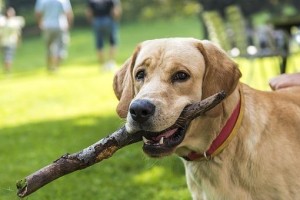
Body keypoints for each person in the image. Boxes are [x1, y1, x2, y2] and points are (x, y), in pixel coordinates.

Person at [34, 0, 73, 72]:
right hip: (60, 26)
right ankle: (56, 67)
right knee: (60, 48)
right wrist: (69, 24)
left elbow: (37, 12)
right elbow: (68, 13)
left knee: (48, 48)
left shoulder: (42, 1)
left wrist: (40, 23)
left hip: (47, 26)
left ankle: (49, 66)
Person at [86, 0, 122, 71]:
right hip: (109, 20)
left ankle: (102, 65)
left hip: (97, 21)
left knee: (99, 44)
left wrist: (92, 21)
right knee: (112, 42)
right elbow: (115, 10)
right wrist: (116, 20)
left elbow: (89, 12)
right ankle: (111, 62)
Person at [0, 7, 25, 73]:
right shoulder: (13, 23)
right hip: (9, 42)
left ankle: (6, 69)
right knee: (9, 57)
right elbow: (18, 33)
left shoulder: (3, 21)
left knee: (6, 56)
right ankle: (8, 70)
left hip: (4, 42)